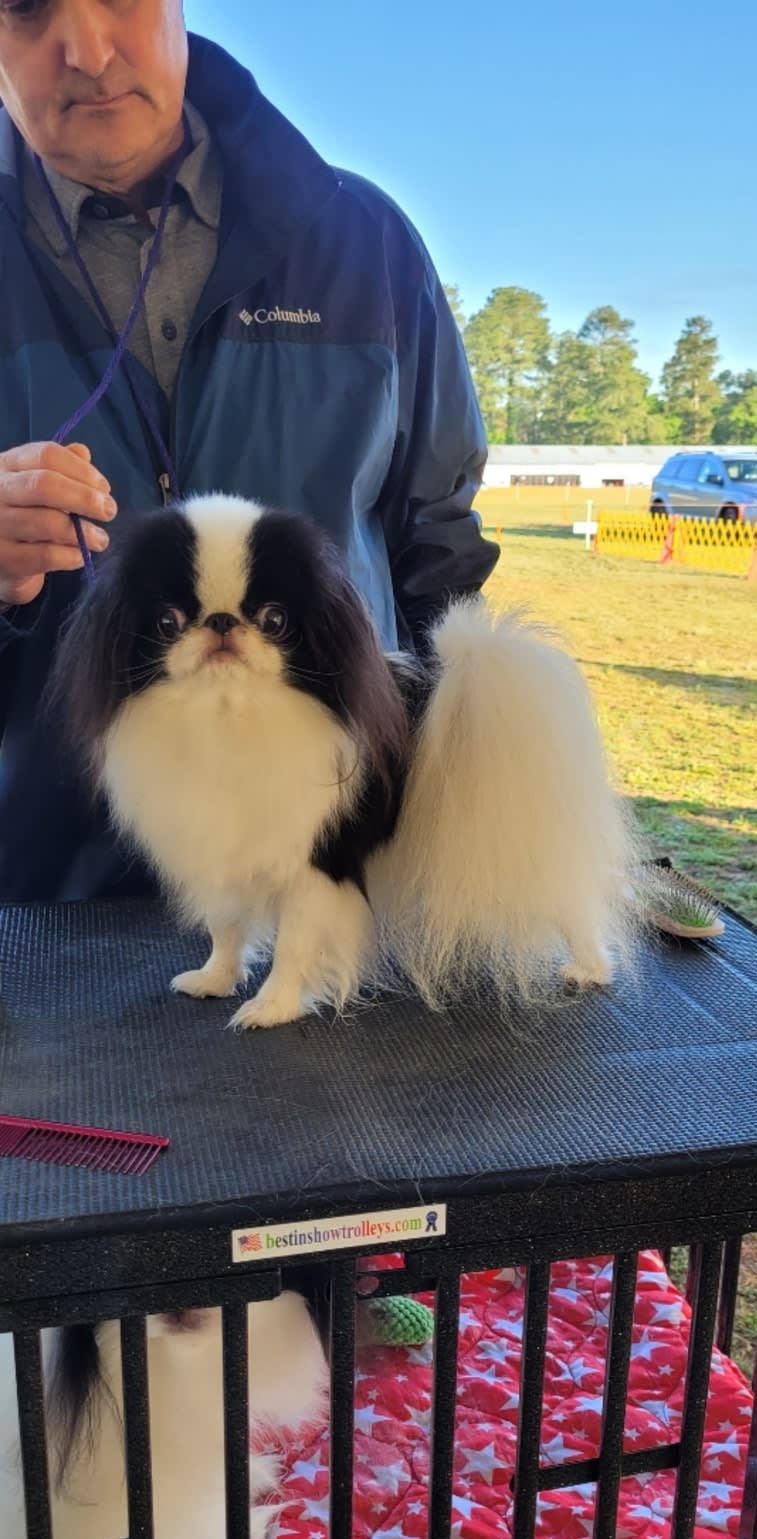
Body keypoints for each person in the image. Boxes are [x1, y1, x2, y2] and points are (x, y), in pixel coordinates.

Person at [0, 0, 497, 902]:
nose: (86, 48)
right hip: (52, 909)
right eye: (25, 6)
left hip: (335, 872)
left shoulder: (368, 242)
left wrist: (467, 789)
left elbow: (441, 554)